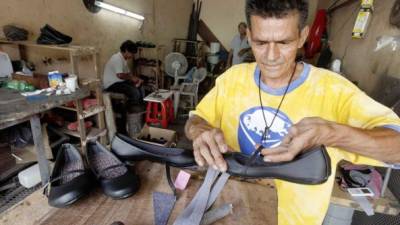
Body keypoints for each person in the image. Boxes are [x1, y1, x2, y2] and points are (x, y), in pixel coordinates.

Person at [184, 0, 400, 224]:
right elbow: (196, 119)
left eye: (284, 42)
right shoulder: (232, 79)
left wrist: (333, 133)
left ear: (302, 36)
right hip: (229, 213)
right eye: (260, 42)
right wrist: (199, 130)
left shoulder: (334, 90)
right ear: (248, 35)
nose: (271, 55)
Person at [103, 40, 144, 110]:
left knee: (140, 87)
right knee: (134, 92)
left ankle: (140, 107)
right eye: (132, 53)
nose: (133, 55)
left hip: (119, 82)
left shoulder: (123, 60)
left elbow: (128, 74)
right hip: (111, 85)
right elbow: (120, 75)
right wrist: (132, 79)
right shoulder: (117, 58)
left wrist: (137, 79)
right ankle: (130, 112)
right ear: (126, 50)